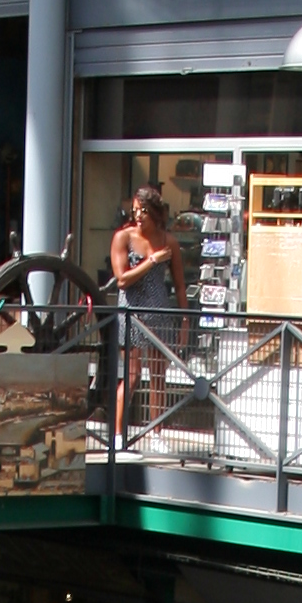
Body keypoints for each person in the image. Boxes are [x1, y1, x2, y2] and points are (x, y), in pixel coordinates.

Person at [109, 185, 188, 435]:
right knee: (131, 375)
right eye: (135, 210)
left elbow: (180, 285)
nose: (138, 216)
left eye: (143, 210)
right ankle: (118, 435)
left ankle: (156, 433)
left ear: (154, 212)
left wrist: (185, 322)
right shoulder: (124, 237)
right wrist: (151, 261)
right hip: (131, 313)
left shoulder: (168, 242)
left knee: (158, 376)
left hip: (158, 313)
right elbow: (122, 279)